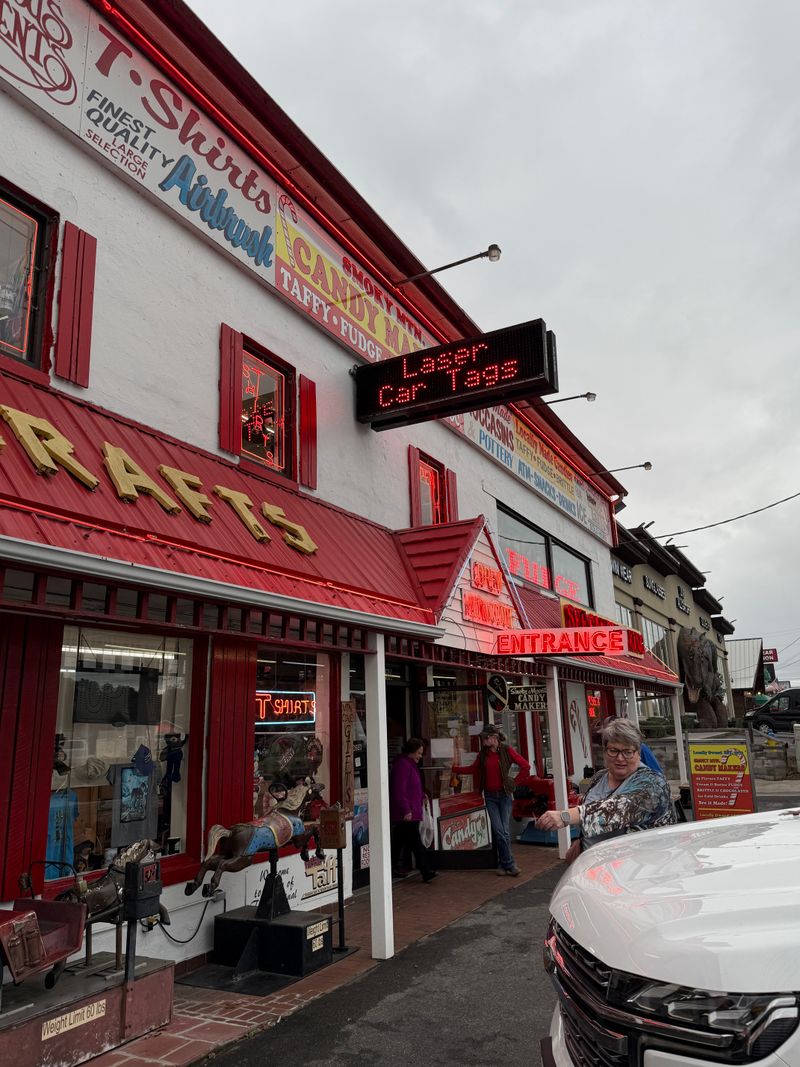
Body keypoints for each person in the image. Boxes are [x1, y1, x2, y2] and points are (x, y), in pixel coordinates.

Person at [535, 719, 675, 852]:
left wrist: (565, 816)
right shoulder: (599, 777)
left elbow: (619, 809)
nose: (620, 758)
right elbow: (590, 813)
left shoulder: (653, 783)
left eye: (627, 752)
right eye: (613, 750)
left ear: (638, 753)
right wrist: (581, 843)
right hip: (595, 868)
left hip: (639, 869)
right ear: (605, 751)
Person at [452, 724, 530, 876]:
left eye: (486, 738)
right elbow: (472, 769)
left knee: (504, 832)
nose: (484, 741)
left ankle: (504, 864)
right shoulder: (483, 754)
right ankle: (510, 864)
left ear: (494, 738)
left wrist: (514, 782)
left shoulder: (507, 750)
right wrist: (454, 769)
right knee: (499, 830)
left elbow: (525, 766)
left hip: (505, 795)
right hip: (490, 796)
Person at [389, 738, 437, 883]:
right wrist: (406, 809)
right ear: (411, 752)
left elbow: (412, 787)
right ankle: (426, 870)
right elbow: (399, 790)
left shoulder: (408, 764)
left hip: (410, 810)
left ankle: (392, 867)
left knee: (398, 841)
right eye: (419, 753)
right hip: (407, 812)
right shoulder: (403, 765)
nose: (420, 756)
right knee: (415, 842)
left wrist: (422, 795)